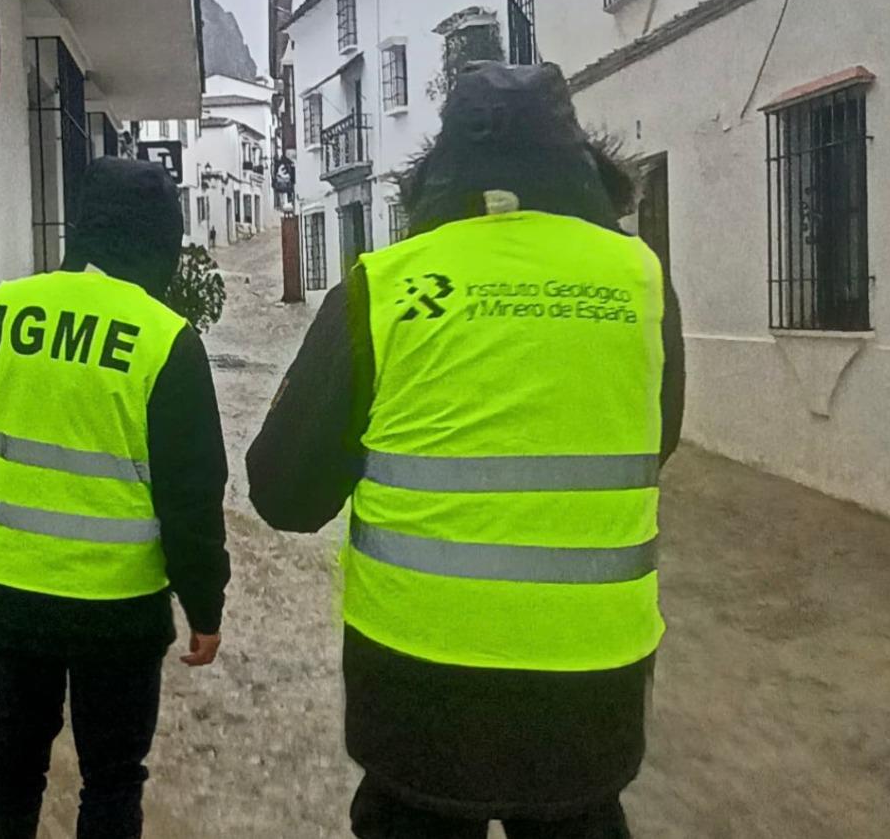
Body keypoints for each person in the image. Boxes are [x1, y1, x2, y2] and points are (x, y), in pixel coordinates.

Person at [247, 62, 686, 839]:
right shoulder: (641, 281)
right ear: (583, 161)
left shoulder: (386, 286)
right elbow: (658, 438)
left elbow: (284, 492)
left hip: (416, 681)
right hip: (593, 680)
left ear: (438, 168)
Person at [0, 157, 231, 839]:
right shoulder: (165, 339)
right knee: (113, 778)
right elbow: (193, 497)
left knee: (15, 758)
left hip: (13, 594)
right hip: (117, 612)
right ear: (160, 242)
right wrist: (205, 603)